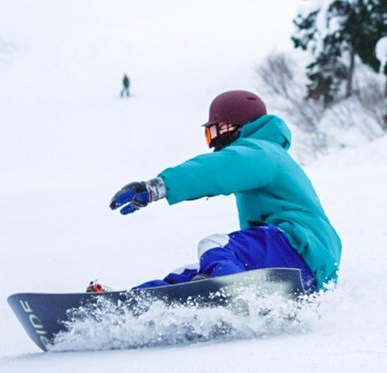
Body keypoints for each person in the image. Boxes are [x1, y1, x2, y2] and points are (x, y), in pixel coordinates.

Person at [103, 90, 341, 293]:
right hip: (303, 265)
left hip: (299, 247)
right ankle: (138, 302)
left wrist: (155, 188)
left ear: (236, 126)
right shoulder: (268, 154)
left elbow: (218, 169)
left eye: (214, 131)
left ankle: (227, 295)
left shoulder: (261, 151)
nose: (212, 140)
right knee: (190, 272)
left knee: (215, 247)